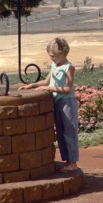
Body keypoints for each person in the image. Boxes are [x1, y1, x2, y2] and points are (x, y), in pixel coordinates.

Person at [18, 37, 78, 172]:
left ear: (62, 53)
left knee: (69, 131)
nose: (51, 58)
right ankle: (67, 161)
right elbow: (46, 82)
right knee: (61, 132)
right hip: (58, 101)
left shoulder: (69, 67)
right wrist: (31, 85)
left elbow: (68, 88)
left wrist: (50, 88)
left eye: (53, 56)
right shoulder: (54, 66)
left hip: (67, 102)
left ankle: (73, 162)